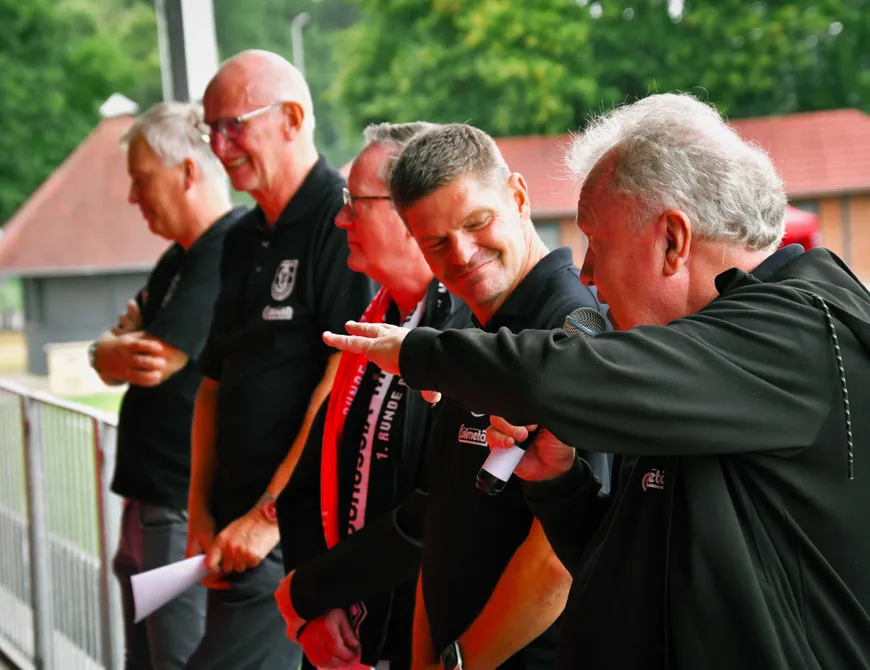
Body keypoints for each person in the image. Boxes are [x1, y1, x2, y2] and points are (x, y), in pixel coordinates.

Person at [323, 93, 870, 670]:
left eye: (597, 244)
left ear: (672, 240)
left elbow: (564, 373)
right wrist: (560, 485)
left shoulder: (795, 332)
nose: (585, 272)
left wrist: (419, 352)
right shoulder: (702, 363)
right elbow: (625, 570)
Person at [330, 123, 608, 670]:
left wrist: (456, 664)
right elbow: (441, 530)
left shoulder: (573, 330)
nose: (461, 254)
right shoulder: (461, 340)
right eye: (435, 243)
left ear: (519, 197)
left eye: (477, 223)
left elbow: (555, 563)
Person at [187, 50, 374, 669]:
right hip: (228, 537)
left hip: (286, 537)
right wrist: (197, 511)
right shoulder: (241, 237)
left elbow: (340, 379)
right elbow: (212, 382)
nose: (219, 146)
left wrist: (268, 515)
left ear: (291, 118)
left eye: (232, 126)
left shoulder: (339, 220)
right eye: (210, 130)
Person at [273, 121, 472, 670]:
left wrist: (314, 591)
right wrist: (316, 608)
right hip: (342, 626)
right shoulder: (376, 315)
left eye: (354, 202)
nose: (341, 218)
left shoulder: (465, 331)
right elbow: (308, 482)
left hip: (417, 634)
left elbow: (431, 514)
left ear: (411, 213)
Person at [89, 101, 244, 669]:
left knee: (175, 659)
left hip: (179, 507)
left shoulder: (226, 247)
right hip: (148, 502)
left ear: (187, 172)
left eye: (141, 180)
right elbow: (116, 358)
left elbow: (151, 359)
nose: (134, 197)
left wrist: (114, 347)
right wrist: (105, 350)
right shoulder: (177, 259)